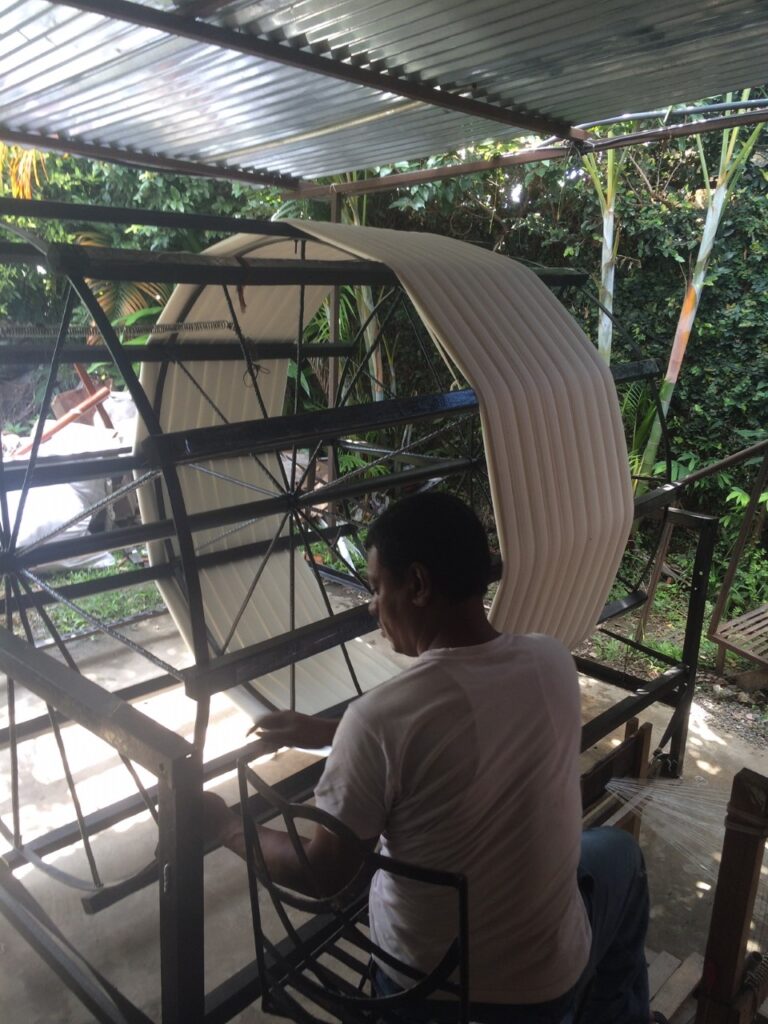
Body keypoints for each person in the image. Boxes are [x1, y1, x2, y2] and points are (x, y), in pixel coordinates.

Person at [205, 492, 658, 1024]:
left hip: (433, 993)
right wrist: (324, 730)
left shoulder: (380, 719)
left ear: (417, 585)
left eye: (376, 588)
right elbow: (453, 735)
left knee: (607, 857)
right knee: (620, 857)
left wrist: (227, 826)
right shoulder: (551, 660)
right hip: (550, 978)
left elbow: (323, 873)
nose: (372, 607)